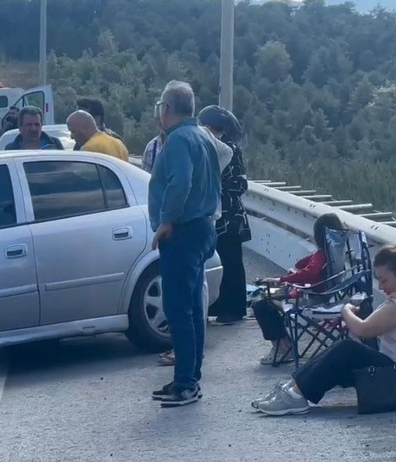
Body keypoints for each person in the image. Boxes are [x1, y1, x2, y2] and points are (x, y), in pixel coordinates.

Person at [255, 245, 396, 416]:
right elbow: (372, 322)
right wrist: (386, 302)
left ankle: (295, 395)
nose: (381, 287)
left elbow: (363, 329)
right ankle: (294, 388)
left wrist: (345, 309)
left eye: (384, 280)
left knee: (347, 350)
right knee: (341, 352)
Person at [148, 81, 221, 407]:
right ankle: (189, 378)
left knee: (179, 310)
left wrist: (166, 221)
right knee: (192, 310)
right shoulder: (203, 136)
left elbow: (180, 182)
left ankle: (186, 384)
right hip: (202, 226)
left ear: (166, 108)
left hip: (183, 230)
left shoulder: (178, 140)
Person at [252, 213, 345, 365]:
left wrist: (282, 280)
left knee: (261, 303)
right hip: (326, 296)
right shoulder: (335, 252)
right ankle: (285, 346)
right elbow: (306, 266)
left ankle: (281, 347)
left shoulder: (321, 255)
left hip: (312, 299)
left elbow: (310, 272)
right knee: (269, 301)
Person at [198, 105, 252, 326]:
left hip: (229, 217)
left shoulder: (226, 149)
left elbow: (236, 182)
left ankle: (233, 309)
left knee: (230, 262)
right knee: (225, 261)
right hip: (226, 215)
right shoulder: (222, 146)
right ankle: (223, 307)